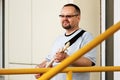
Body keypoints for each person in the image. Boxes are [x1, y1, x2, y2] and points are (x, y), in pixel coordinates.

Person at [35, 3, 97, 80]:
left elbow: (89, 62)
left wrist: (66, 58)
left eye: (69, 16)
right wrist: (39, 68)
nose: (65, 19)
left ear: (78, 18)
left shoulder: (86, 36)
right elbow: (49, 59)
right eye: (62, 16)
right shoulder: (59, 39)